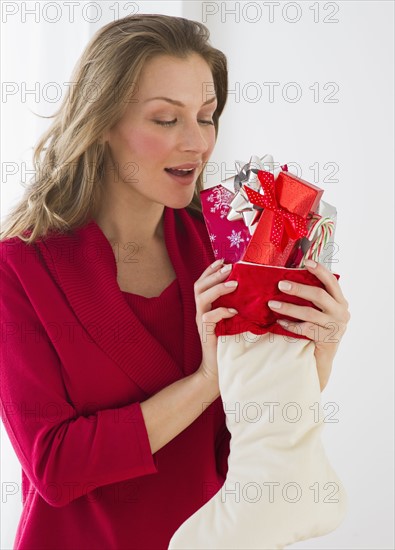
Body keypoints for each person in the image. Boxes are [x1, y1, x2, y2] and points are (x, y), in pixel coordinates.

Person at [0, 13, 350, 550]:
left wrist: (310, 358)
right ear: (101, 124)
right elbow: (56, 468)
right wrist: (208, 378)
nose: (198, 142)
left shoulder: (225, 252)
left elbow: (235, 452)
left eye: (206, 117)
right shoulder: (20, 268)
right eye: (166, 120)